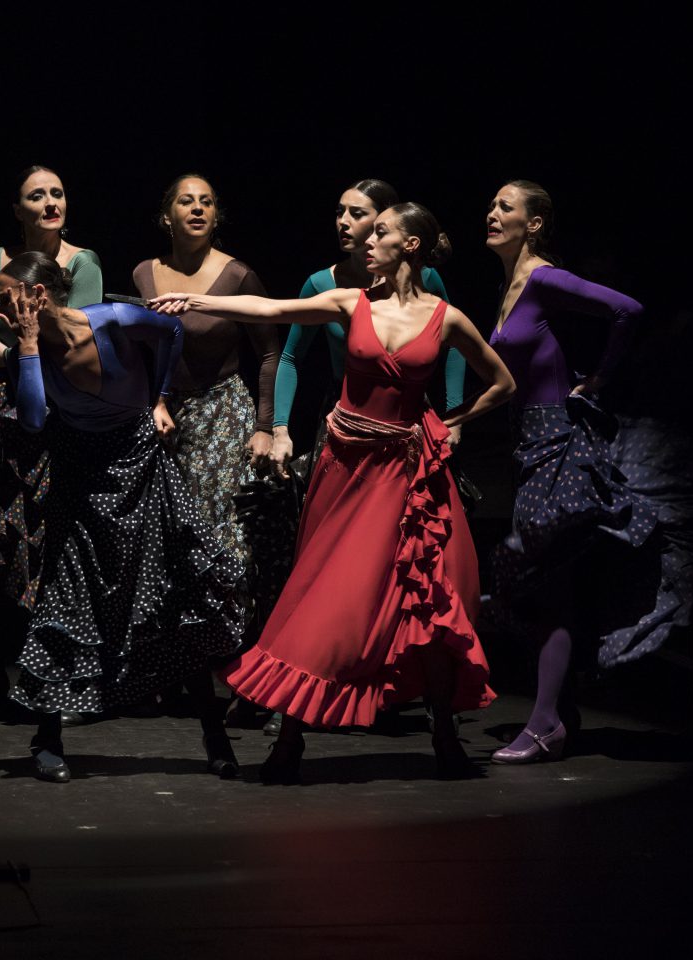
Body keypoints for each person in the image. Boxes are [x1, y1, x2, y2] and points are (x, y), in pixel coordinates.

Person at [151, 202, 516, 783]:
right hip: (348, 473)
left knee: (425, 602)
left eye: (379, 234)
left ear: (411, 246)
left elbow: (502, 382)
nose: (365, 242)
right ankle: (290, 739)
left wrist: (450, 420)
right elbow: (272, 309)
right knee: (324, 599)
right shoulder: (352, 301)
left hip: (411, 477)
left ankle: (444, 736)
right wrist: (199, 301)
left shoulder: (446, 317)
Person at [0, 252, 245, 783]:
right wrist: (28, 346)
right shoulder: (27, 352)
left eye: (6, 295)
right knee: (67, 597)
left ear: (38, 296)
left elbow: (172, 333)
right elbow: (35, 419)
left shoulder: (114, 321)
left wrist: (159, 398)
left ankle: (214, 734)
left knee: (178, 599)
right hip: (79, 475)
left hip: (140, 465)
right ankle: (47, 736)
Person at [479, 180, 662, 764]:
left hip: (559, 442)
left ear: (533, 224)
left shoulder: (542, 277)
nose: (492, 212)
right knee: (532, 580)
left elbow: (627, 309)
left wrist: (600, 379)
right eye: (493, 203)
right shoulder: (508, 285)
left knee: (535, 573)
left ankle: (544, 720)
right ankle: (556, 708)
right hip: (527, 445)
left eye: (506, 206)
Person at [0, 166, 103, 710]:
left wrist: (17, 353)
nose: (49, 203)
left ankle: (50, 672)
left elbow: (73, 337)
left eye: (57, 193)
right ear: (16, 209)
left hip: (51, 403)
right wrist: (8, 353)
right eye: (36, 195)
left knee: (45, 541)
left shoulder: (82, 262)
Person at [132, 174, 278, 585]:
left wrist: (265, 427)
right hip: (165, 416)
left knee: (220, 531)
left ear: (216, 217)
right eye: (186, 201)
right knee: (165, 532)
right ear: (166, 217)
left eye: (207, 202)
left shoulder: (237, 275)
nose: (198, 208)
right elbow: (140, 352)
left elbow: (270, 352)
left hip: (223, 413)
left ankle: (232, 632)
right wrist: (154, 403)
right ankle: (181, 638)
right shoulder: (145, 274)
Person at [271, 178, 465, 475]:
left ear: (385, 219)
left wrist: (454, 416)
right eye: (339, 212)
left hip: (406, 414)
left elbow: (456, 345)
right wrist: (280, 428)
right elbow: (290, 357)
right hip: (345, 414)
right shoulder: (323, 284)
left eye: (357, 214)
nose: (343, 222)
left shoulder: (423, 279)